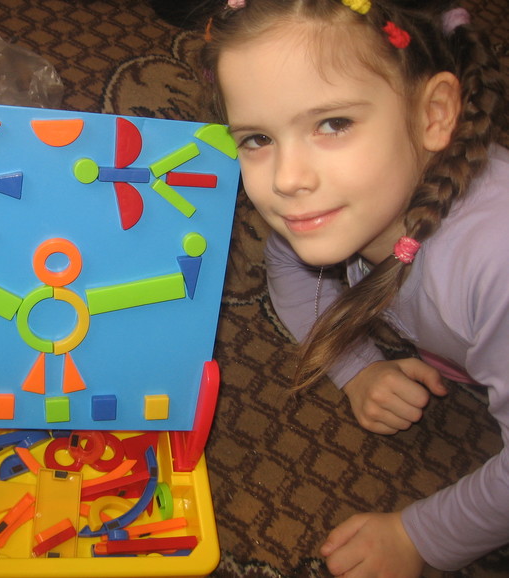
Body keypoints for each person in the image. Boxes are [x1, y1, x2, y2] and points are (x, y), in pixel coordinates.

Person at [201, 0, 508, 575]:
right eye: (257, 138)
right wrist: (357, 367)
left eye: (333, 124)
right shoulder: (344, 207)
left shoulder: (496, 265)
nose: (288, 179)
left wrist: (420, 537)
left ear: (434, 114)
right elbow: (287, 268)